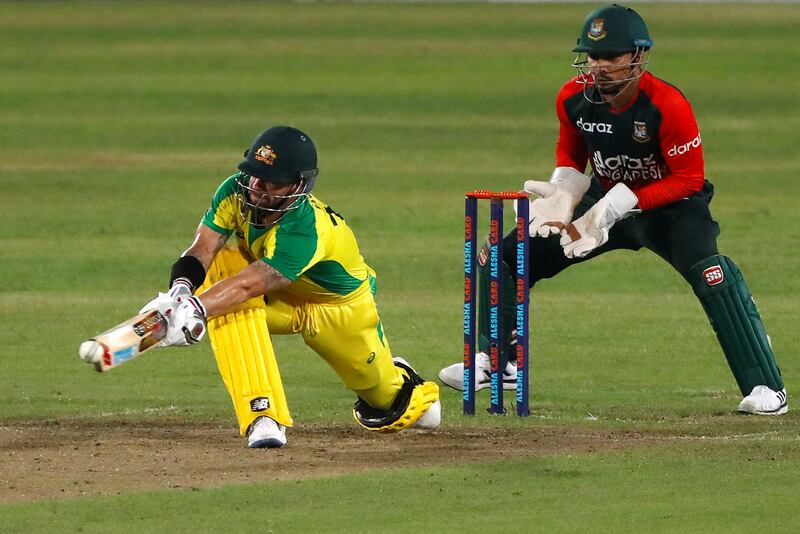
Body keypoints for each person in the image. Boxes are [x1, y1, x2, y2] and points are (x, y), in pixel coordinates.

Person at [439, 4, 787, 415]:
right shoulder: (573, 97)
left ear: (637, 57)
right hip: (600, 202)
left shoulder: (667, 104)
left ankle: (767, 387)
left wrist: (624, 202)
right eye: (593, 55)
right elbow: (571, 158)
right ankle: (499, 365)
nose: (600, 66)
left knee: (712, 274)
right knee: (505, 255)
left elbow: (689, 179)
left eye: (611, 56)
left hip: (671, 207)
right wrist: (562, 194)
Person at [142, 125, 441, 448]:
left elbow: (250, 283)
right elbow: (202, 249)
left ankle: (405, 384)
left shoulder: (305, 229)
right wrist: (181, 292)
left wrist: (198, 309)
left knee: (385, 399)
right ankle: (263, 415)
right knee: (228, 288)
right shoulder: (234, 191)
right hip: (280, 298)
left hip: (338, 308)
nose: (257, 185)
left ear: (298, 185)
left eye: (272, 180)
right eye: (253, 173)